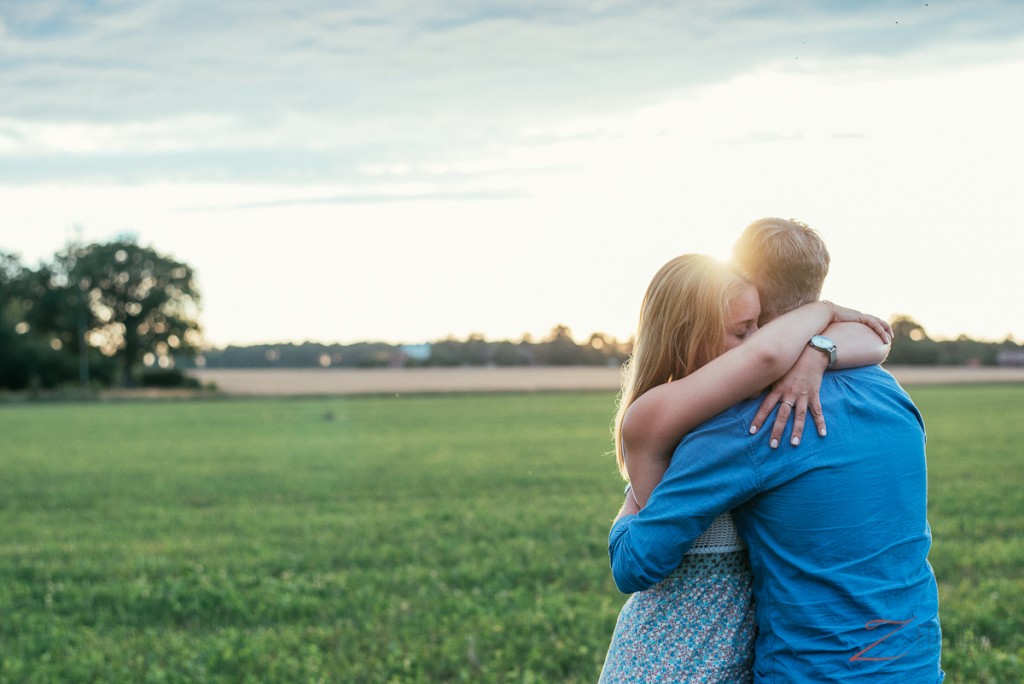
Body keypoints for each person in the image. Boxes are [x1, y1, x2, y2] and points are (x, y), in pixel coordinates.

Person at [608, 218, 943, 681]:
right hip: (915, 663)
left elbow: (635, 562)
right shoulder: (892, 395)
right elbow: (875, 336)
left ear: (755, 298)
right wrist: (820, 342)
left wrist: (631, 499)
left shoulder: (754, 420)